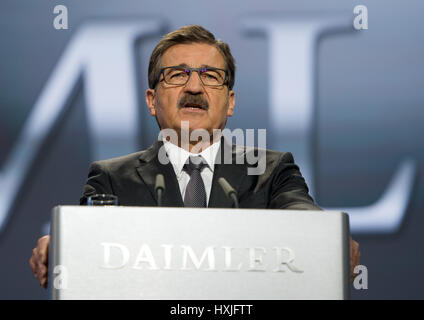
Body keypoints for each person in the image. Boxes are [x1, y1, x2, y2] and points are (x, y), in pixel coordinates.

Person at [29, 25, 360, 289]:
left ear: (230, 102)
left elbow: (303, 216)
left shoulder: (271, 171)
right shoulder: (112, 177)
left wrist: (329, 239)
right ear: (151, 100)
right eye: (176, 75)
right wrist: (62, 244)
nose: (194, 88)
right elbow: (87, 237)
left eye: (210, 76)